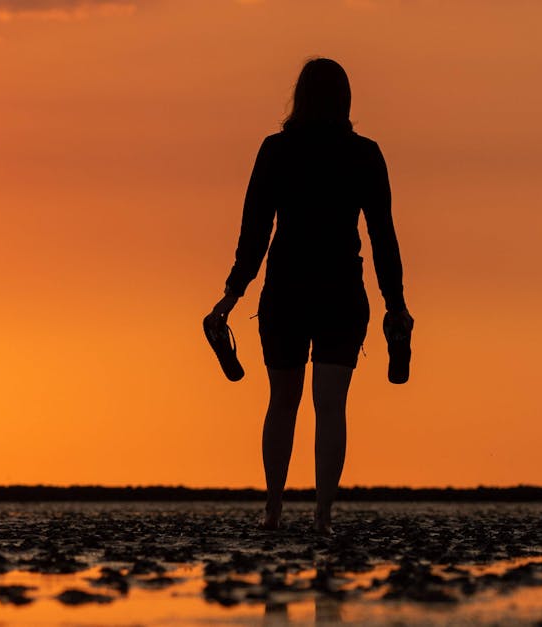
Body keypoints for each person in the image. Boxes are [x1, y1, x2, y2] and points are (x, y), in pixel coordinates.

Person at [209, 58, 410, 534]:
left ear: (299, 98)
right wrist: (395, 304)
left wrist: (230, 297)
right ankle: (322, 517)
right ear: (345, 101)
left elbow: (255, 232)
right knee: (331, 405)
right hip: (341, 288)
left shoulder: (276, 150)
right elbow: (383, 236)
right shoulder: (364, 154)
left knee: (282, 401)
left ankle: (273, 511)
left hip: (287, 289)